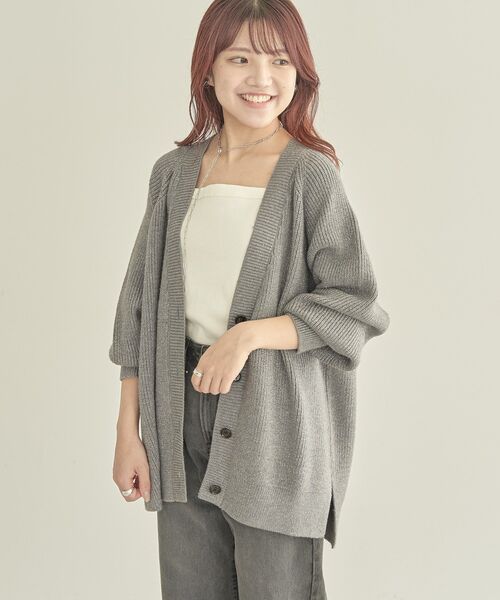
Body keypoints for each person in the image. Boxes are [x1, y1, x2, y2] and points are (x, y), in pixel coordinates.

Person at [109, 1, 390, 598]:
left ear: (299, 74)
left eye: (279, 61)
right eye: (240, 59)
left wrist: (248, 335)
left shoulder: (310, 175)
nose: (261, 78)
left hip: (275, 421)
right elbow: (136, 308)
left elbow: (356, 303)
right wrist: (128, 431)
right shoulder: (173, 173)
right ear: (208, 70)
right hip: (176, 415)